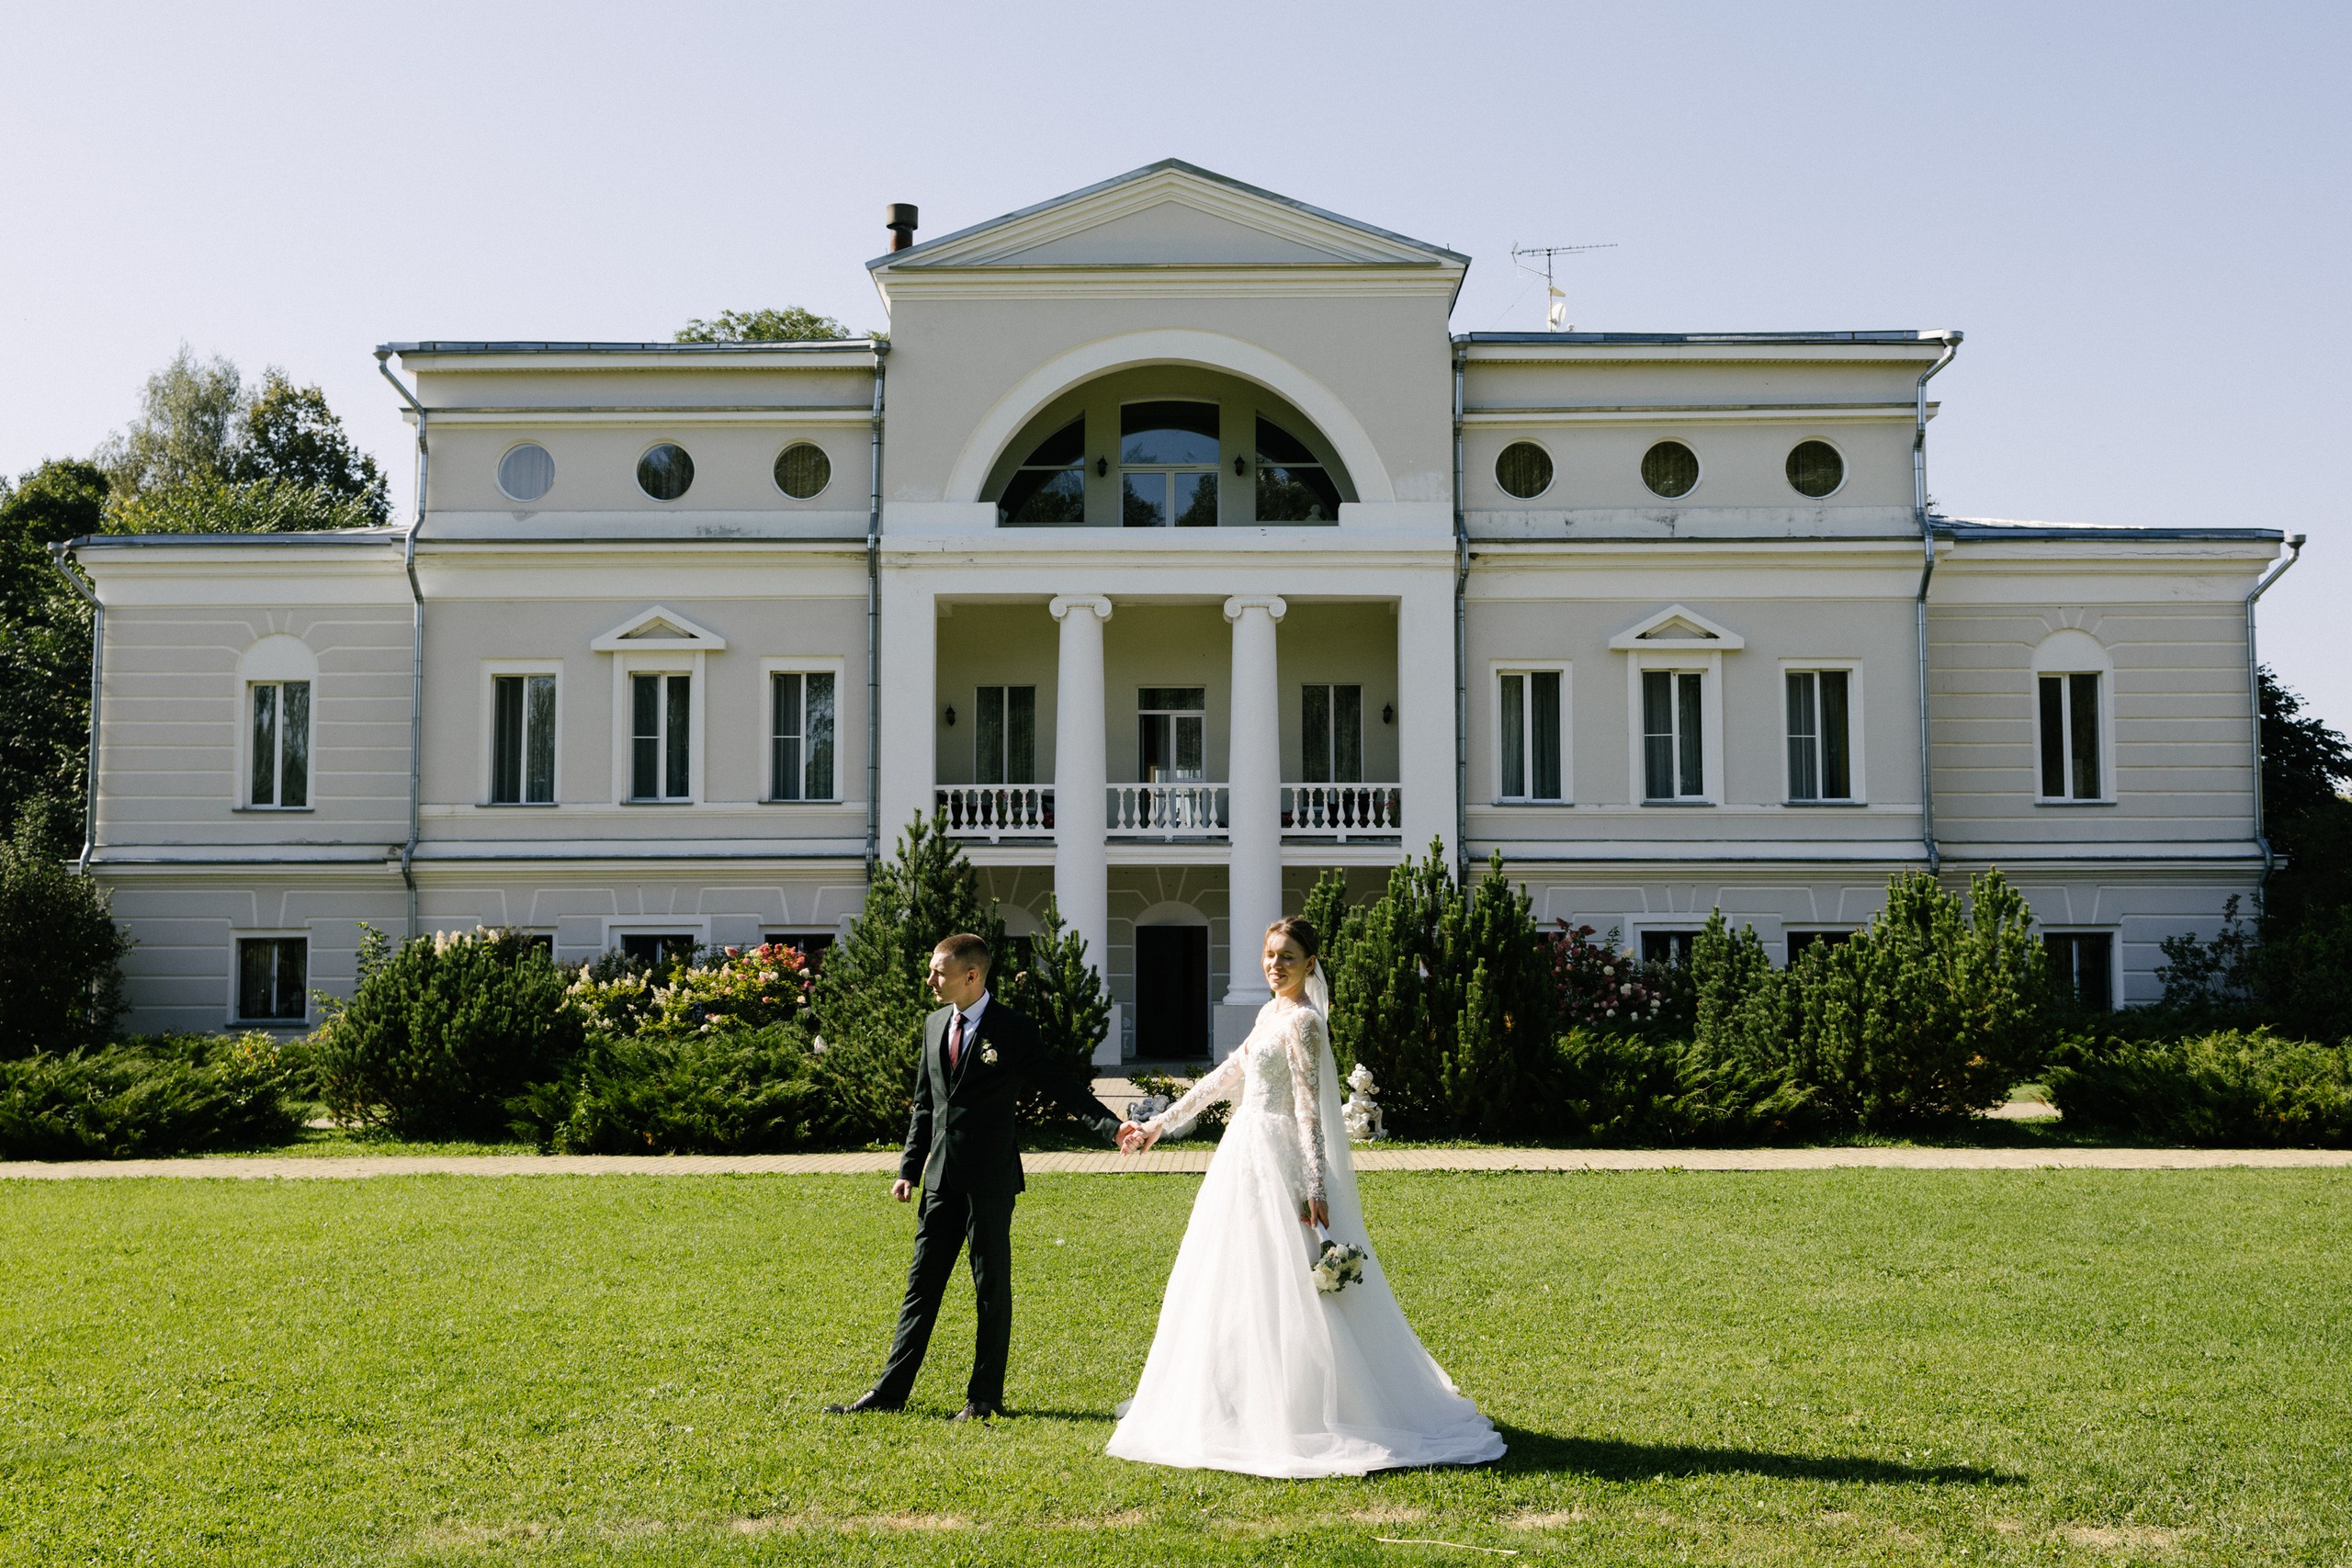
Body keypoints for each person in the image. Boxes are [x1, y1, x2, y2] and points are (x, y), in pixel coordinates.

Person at [1106, 916, 1506, 1476]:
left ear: (1310, 964)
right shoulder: (1269, 1013)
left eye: (1288, 957)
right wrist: (1158, 1126)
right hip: (1243, 1156)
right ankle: (1240, 1398)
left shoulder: (1304, 1024)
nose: (1275, 966)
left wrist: (1315, 1184)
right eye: (1270, 956)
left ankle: (1306, 1404)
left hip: (1281, 1162)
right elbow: (1223, 1077)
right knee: (1235, 1276)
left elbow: (1308, 1109)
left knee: (1290, 1282)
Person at [826, 932, 1141, 1422]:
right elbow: (925, 1105)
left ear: (971, 975)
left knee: (989, 1286)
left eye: (939, 972)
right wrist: (910, 1168)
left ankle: (984, 1397)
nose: (930, 979)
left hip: (990, 1181)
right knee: (921, 1287)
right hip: (940, 1180)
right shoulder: (934, 1025)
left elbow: (1060, 1084)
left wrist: (1111, 1126)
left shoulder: (1012, 1028)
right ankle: (889, 1393)